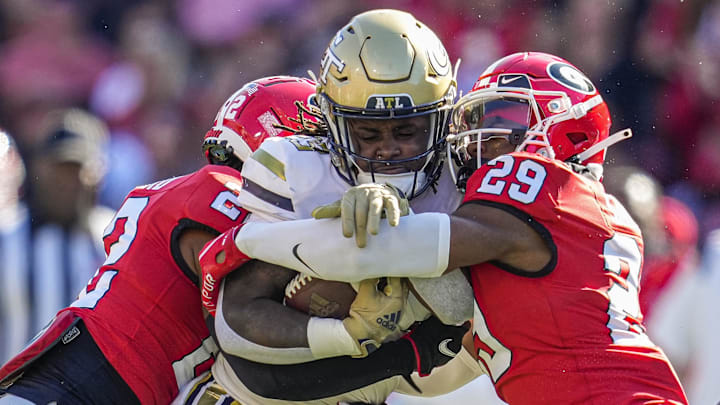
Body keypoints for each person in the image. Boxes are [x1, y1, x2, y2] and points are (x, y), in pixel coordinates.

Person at [200, 52, 688, 404]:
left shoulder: (538, 182)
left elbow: (389, 248)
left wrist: (241, 243)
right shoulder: (596, 214)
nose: (479, 137)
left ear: (566, 128)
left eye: (502, 118)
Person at [182, 9, 495, 405]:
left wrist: (409, 235)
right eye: (367, 132)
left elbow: (464, 322)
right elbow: (237, 326)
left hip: (411, 389)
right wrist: (347, 334)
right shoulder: (299, 171)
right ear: (331, 122)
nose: (388, 148)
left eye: (407, 130)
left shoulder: (466, 177)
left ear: (443, 120)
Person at [0, 76, 323, 404]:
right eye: (323, 152)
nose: (331, 173)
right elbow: (252, 327)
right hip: (77, 390)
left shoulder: (194, 194)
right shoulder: (221, 192)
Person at [0, 110, 114, 365]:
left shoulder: (115, 235)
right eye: (58, 168)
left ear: (97, 172)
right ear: (38, 167)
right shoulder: (6, 235)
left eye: (75, 169)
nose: (66, 181)